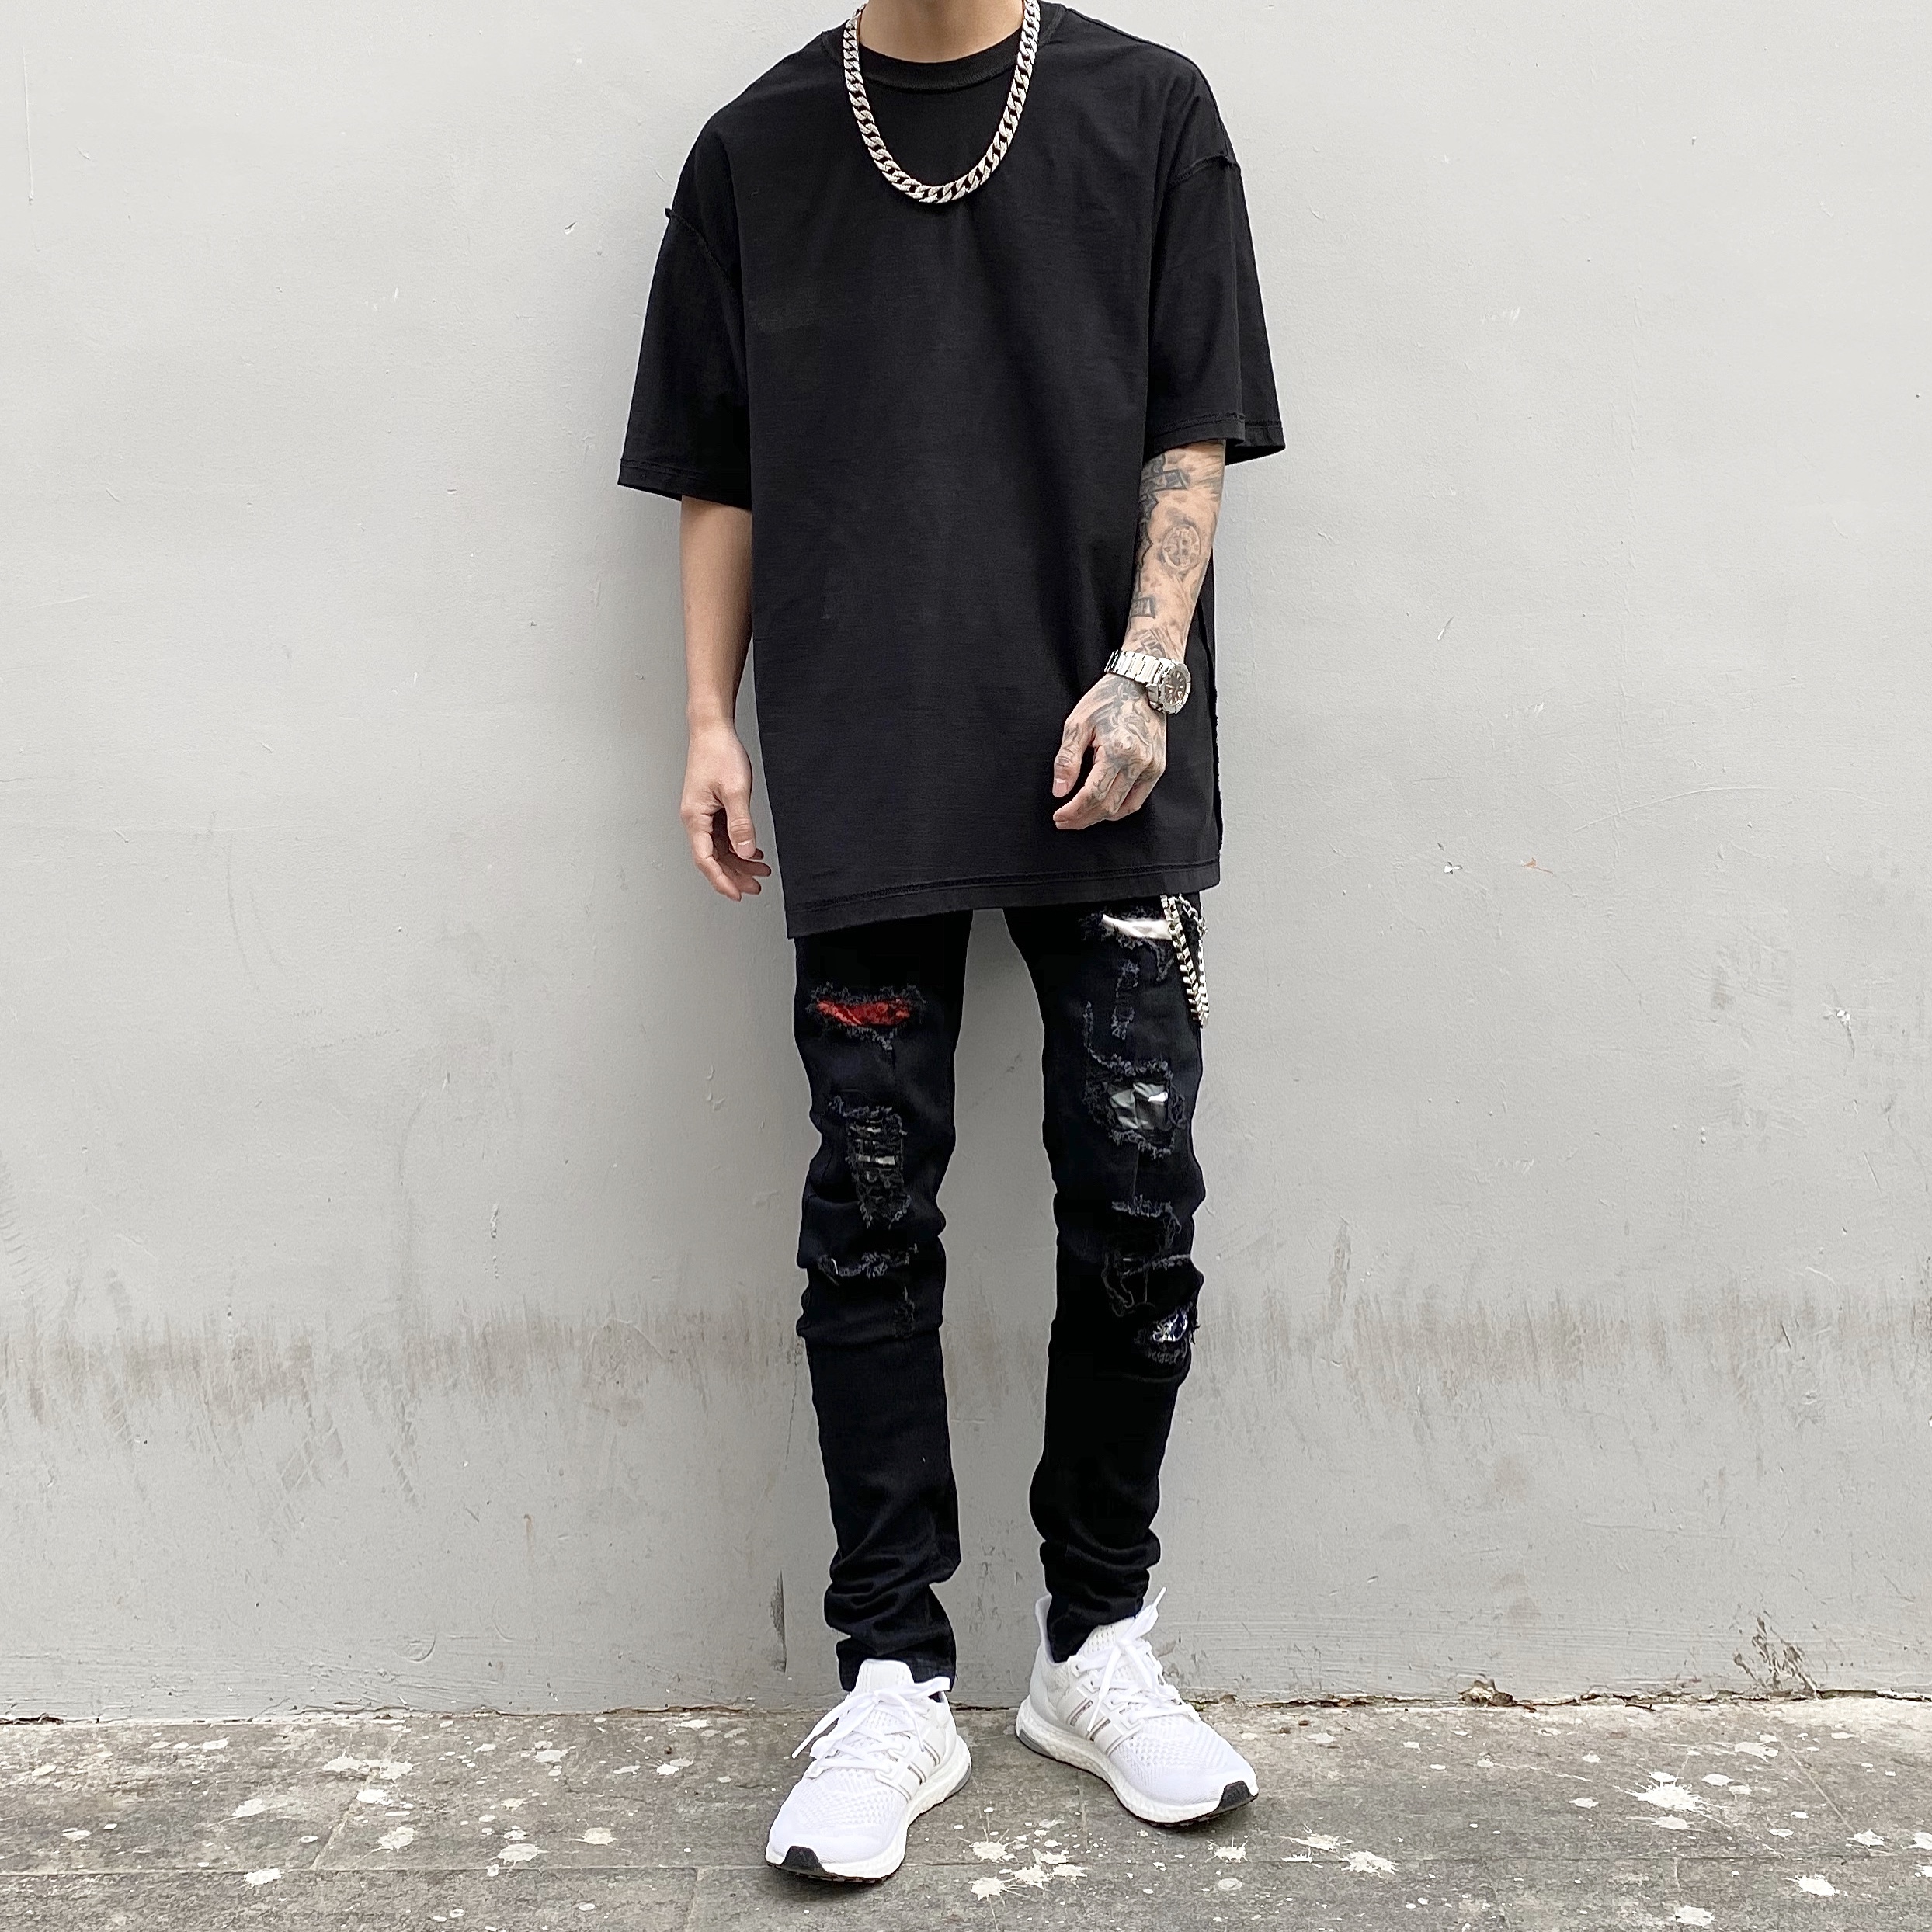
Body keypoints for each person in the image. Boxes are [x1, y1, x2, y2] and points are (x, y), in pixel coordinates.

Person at [618, 0, 1282, 1884]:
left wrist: (1146, 666)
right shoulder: (755, 149)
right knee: (868, 1209)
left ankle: (1094, 1642)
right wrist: (705, 717)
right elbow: (721, 467)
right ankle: (891, 1671)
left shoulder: (1147, 111)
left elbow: (1191, 423)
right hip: (863, 741)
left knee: (1135, 1195)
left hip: (1107, 743)